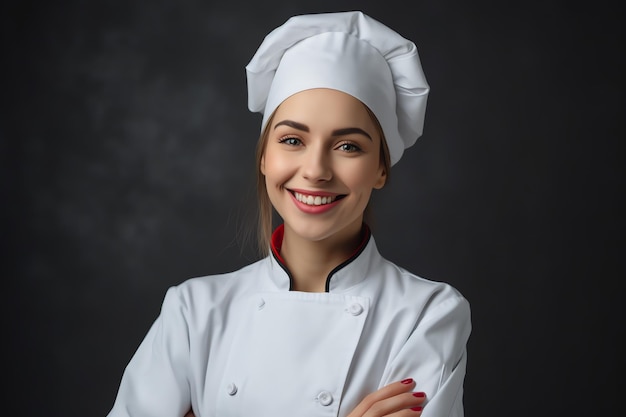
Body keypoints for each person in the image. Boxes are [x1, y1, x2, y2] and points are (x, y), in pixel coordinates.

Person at [106, 10, 471, 417]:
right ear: (264, 156)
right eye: (293, 139)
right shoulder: (193, 313)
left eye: (348, 146)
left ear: (381, 168)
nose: (316, 170)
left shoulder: (427, 315)